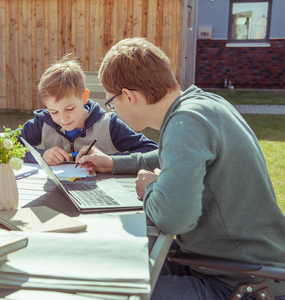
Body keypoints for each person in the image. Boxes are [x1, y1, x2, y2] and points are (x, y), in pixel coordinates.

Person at [77, 37, 285, 299]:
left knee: (112, 293)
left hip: (240, 281)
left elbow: (175, 217)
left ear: (128, 96)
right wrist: (114, 162)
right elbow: (168, 157)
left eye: (111, 103)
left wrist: (151, 188)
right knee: (116, 263)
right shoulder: (201, 105)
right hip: (223, 263)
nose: (113, 111)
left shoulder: (185, 122)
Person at [18, 54, 158, 166]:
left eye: (70, 108)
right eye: (54, 111)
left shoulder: (108, 125)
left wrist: (109, 161)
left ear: (84, 97)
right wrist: (41, 155)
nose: (62, 118)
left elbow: (153, 150)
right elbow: (4, 146)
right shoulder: (42, 123)